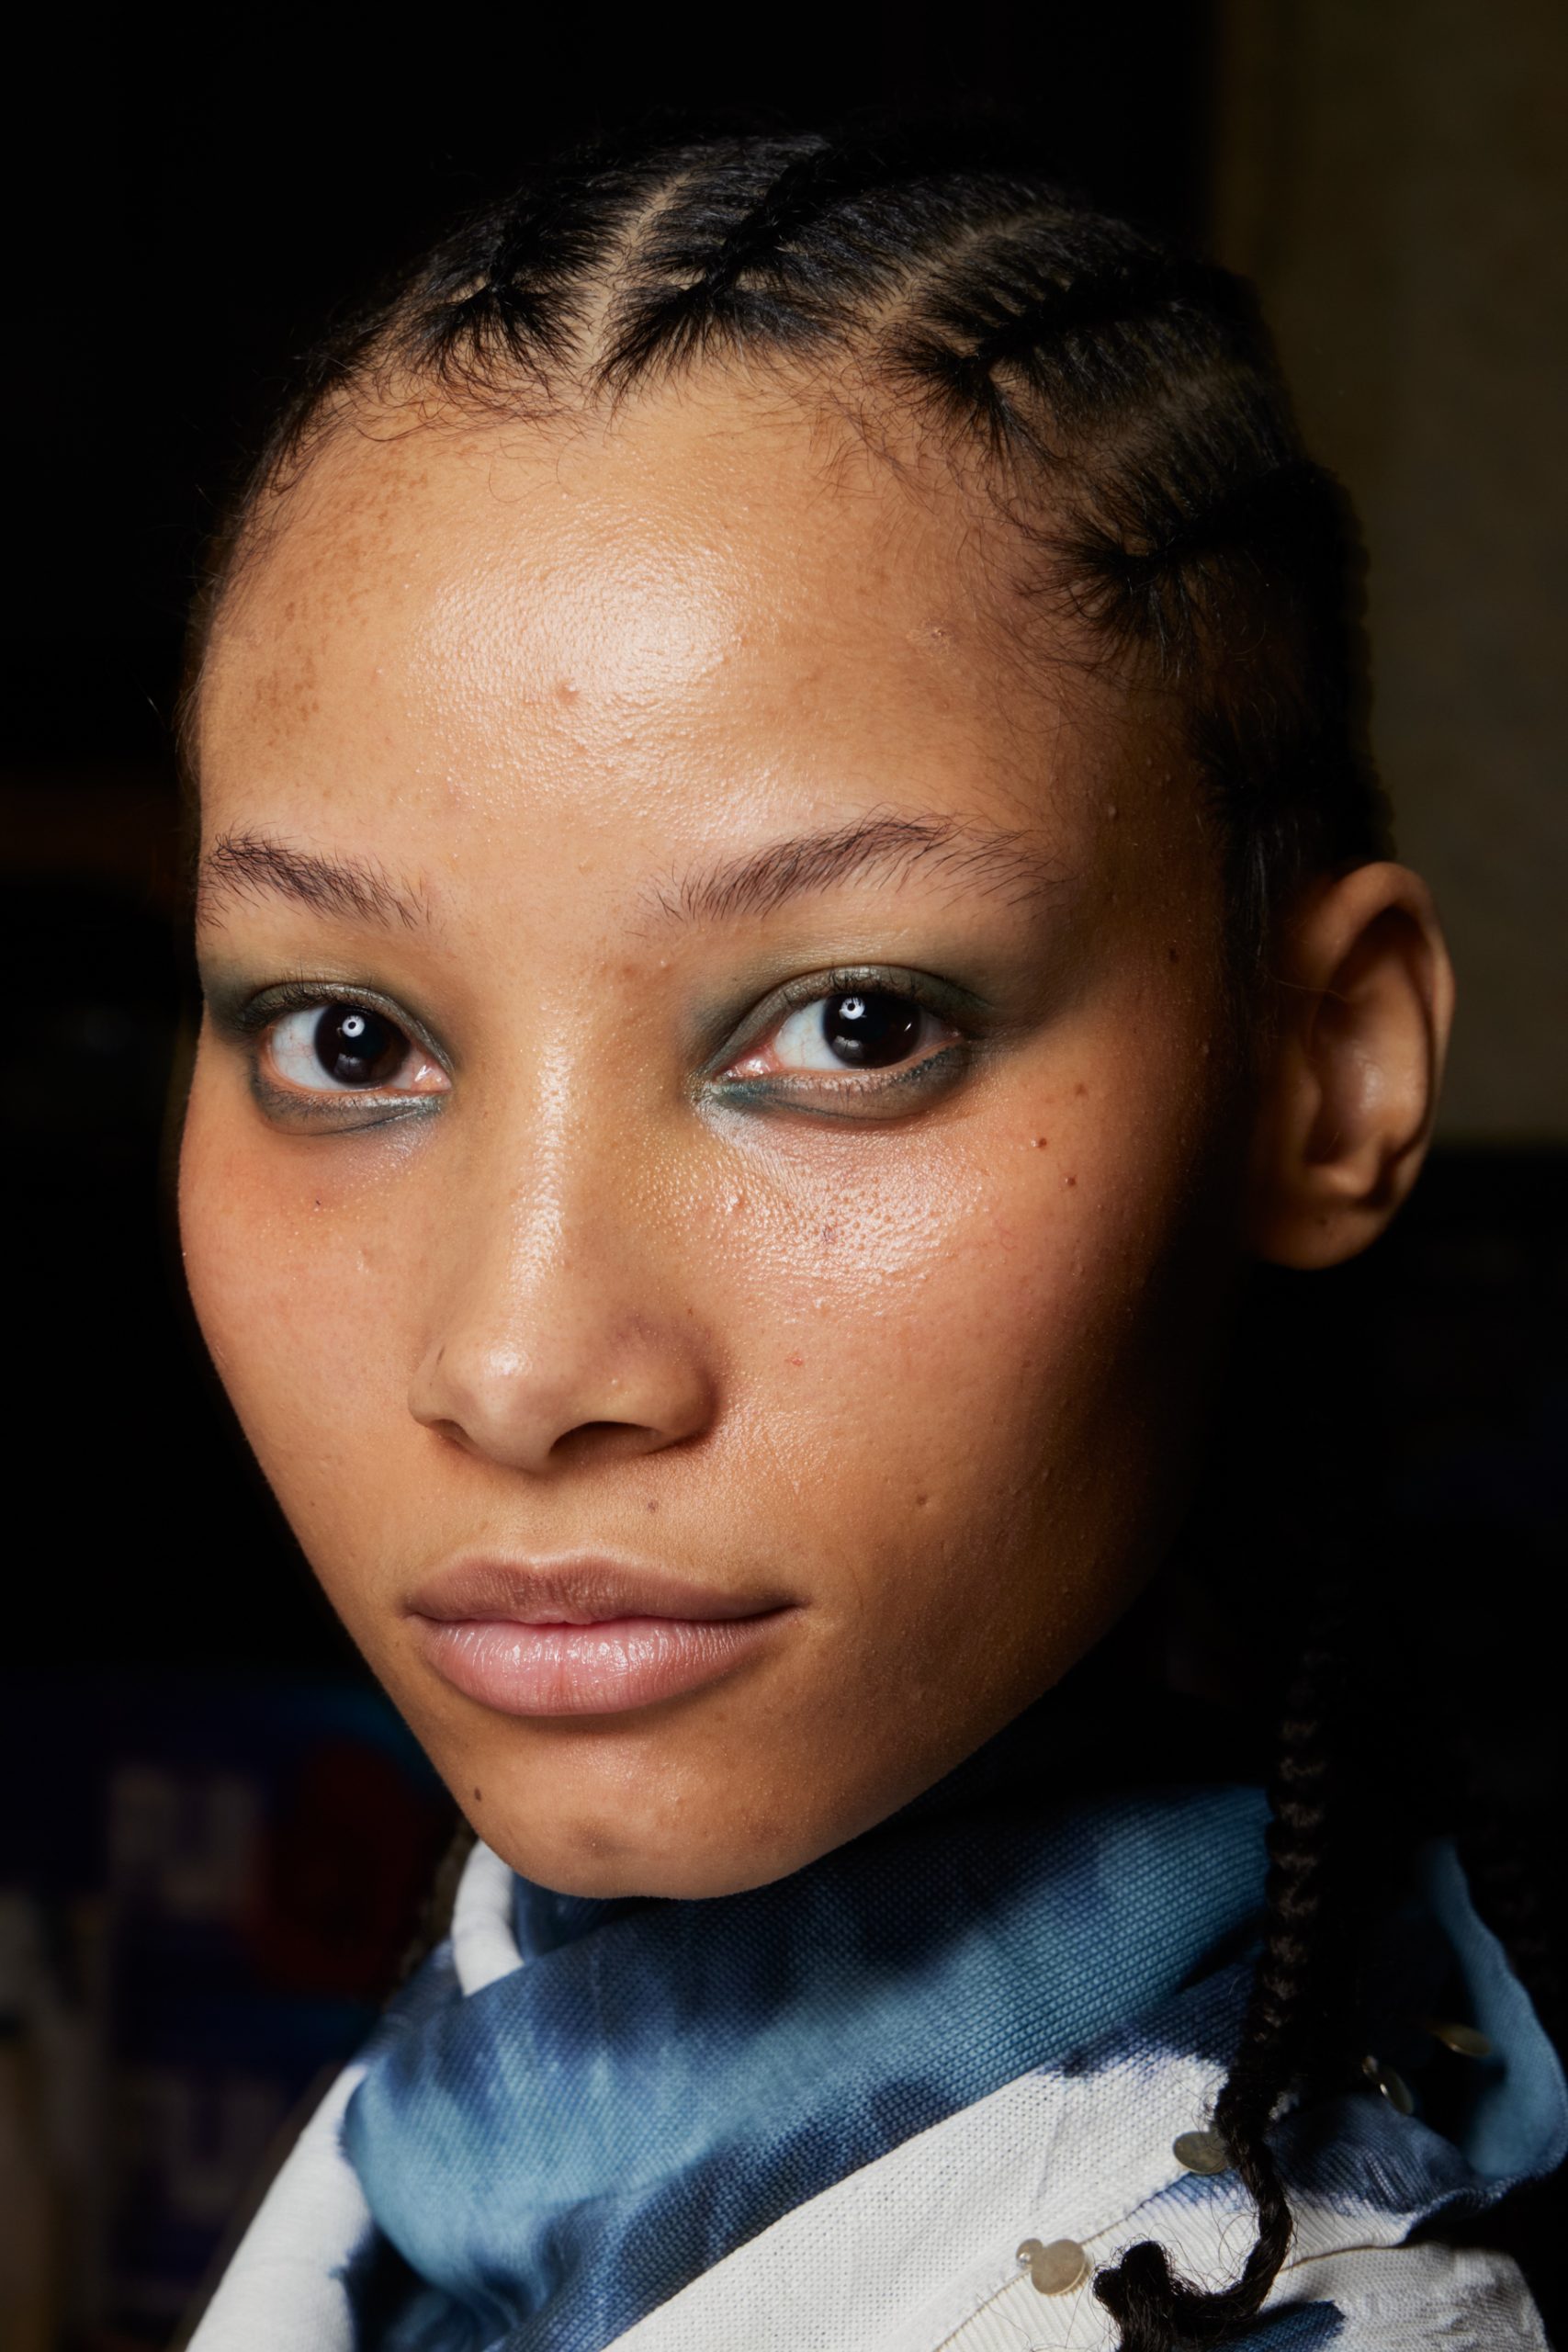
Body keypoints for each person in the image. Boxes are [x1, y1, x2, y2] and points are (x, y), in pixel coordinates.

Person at [174, 124, 1562, 2350]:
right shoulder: (474, 2140)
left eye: (852, 1023)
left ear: (1322, 1074)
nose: (519, 1360)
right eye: (351, 1038)